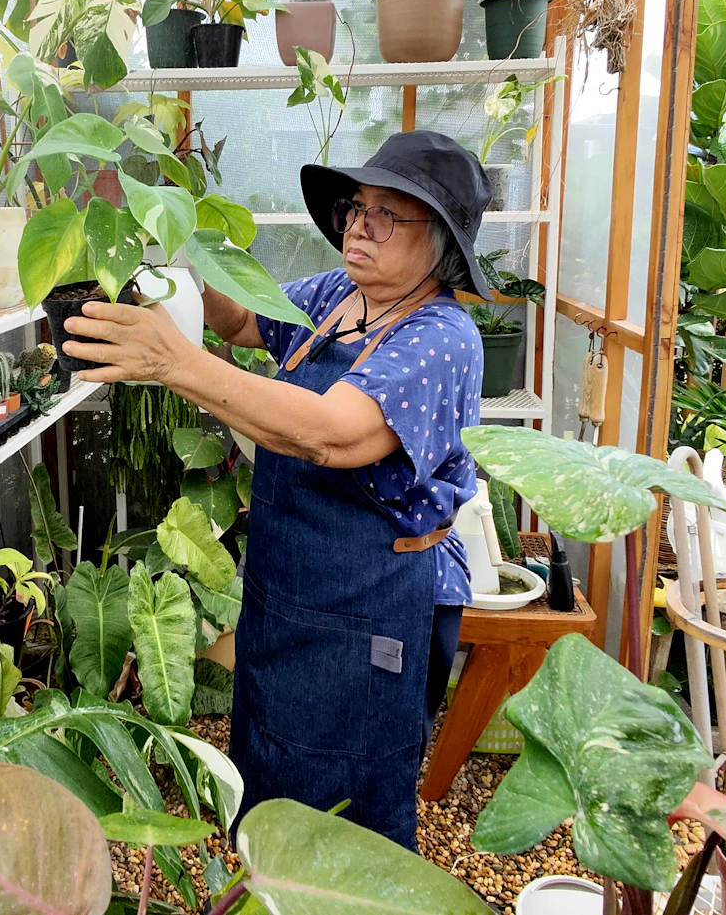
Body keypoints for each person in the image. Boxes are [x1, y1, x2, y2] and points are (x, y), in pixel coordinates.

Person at [59, 130, 492, 848]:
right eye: (357, 206)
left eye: (389, 214)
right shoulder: (336, 297)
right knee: (267, 780)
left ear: (442, 241)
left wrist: (176, 363)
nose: (359, 224)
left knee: (347, 815)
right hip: (286, 594)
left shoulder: (442, 337)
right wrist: (166, 246)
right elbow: (238, 317)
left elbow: (330, 432)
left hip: (370, 607)